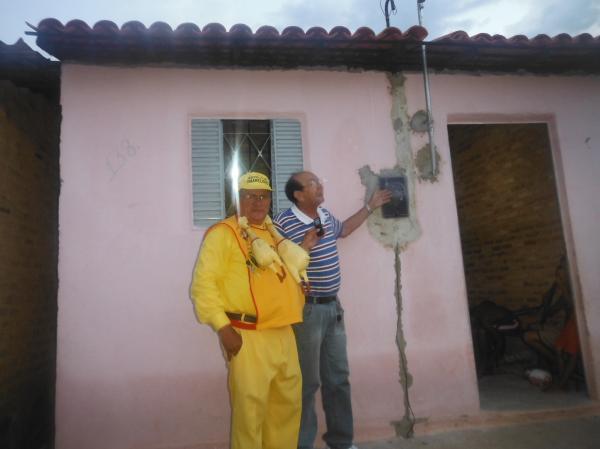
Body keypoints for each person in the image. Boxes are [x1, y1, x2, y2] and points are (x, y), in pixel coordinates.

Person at [274, 171, 391, 449]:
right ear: (298, 194)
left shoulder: (324, 215)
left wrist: (369, 207)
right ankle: (302, 444)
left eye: (319, 181)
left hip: (333, 309)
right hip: (307, 312)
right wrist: (302, 246)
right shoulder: (281, 223)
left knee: (338, 379)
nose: (320, 186)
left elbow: (345, 230)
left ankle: (342, 442)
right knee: (307, 384)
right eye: (312, 183)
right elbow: (275, 265)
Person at [190, 172, 305, 449]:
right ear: (238, 199)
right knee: (249, 415)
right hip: (247, 335)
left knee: (286, 411)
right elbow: (203, 286)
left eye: (263, 196)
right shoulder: (223, 233)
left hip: (284, 333)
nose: (257, 202)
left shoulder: (274, 234)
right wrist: (222, 326)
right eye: (250, 196)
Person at [521, 256, 573, 374]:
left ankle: (553, 361)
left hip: (562, 330)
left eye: (561, 275)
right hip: (550, 325)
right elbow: (544, 308)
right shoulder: (554, 288)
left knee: (528, 336)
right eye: (557, 275)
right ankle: (546, 362)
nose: (557, 278)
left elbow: (556, 309)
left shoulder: (569, 290)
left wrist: (563, 288)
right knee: (527, 328)